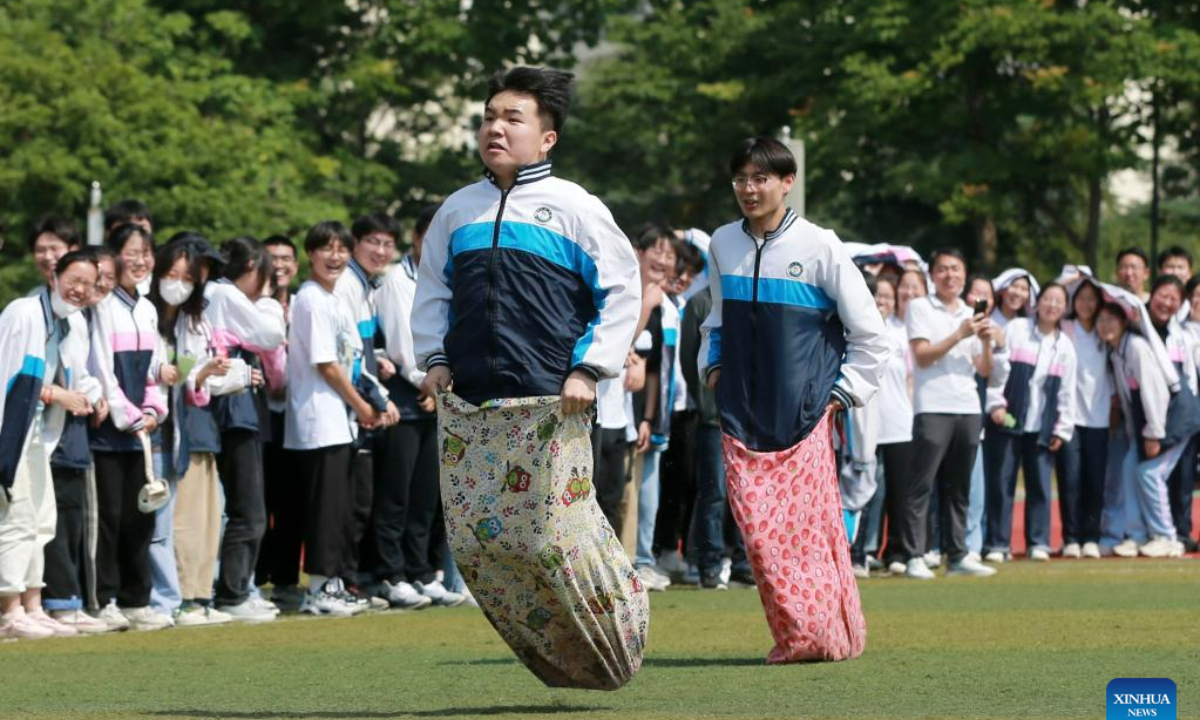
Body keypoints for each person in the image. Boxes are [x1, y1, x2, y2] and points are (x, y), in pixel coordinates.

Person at [412, 66, 646, 690]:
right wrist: (434, 359)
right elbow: (432, 291)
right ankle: (561, 657)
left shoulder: (576, 207)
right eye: (489, 117)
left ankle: (621, 623)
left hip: (551, 399)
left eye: (512, 118)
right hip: (472, 404)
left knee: (549, 540)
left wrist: (588, 369)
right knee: (477, 544)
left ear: (547, 138)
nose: (495, 127)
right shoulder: (457, 209)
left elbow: (622, 291)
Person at [698, 136, 886, 662]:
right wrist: (713, 367)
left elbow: (871, 334)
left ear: (787, 183)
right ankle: (805, 635)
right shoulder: (722, 243)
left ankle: (816, 637)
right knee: (759, 538)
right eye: (741, 179)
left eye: (760, 178)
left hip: (803, 419)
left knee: (805, 535)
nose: (749, 189)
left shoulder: (820, 245)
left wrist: (842, 394)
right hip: (739, 416)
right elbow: (716, 319)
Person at [0, 251, 98, 639]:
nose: (80, 290)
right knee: (17, 517)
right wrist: (59, 394)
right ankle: (9, 609)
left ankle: (32, 603)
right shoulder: (24, 312)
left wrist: (80, 395)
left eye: (89, 284)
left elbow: (73, 375)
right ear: (54, 276)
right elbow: (10, 378)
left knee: (41, 519)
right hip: (13, 431)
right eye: (74, 280)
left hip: (39, 433)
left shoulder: (66, 323)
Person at [286, 221, 380, 617]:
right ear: (310, 254)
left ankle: (335, 583)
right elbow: (325, 364)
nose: (335, 257)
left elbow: (351, 359)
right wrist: (362, 406)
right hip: (318, 420)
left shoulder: (334, 299)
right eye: (326, 248)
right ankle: (319, 588)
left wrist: (370, 402)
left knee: (341, 507)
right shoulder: (310, 299)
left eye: (341, 249)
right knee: (325, 510)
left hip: (340, 420)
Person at [89, 224, 173, 631]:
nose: (141, 261)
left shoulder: (147, 308)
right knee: (109, 517)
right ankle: (104, 599)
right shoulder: (103, 307)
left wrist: (155, 409)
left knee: (141, 516)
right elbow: (102, 370)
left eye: (146, 253)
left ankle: (137, 599)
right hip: (109, 433)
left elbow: (155, 369)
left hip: (141, 433)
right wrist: (129, 416)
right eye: (132, 252)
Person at [372, 205, 454, 610]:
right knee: (396, 494)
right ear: (417, 238)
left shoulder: (446, 277)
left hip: (435, 394)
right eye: (431, 237)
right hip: (407, 397)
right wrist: (431, 383)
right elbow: (403, 344)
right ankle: (392, 573)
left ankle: (421, 571)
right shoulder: (395, 281)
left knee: (425, 494)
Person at [900, 248, 997, 579]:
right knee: (921, 485)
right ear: (932, 275)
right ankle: (915, 555)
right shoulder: (920, 307)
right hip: (933, 406)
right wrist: (960, 334)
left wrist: (985, 341)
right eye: (942, 269)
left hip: (968, 407)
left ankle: (957, 555)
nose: (950, 275)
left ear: (965, 275)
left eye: (956, 269)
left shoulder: (971, 313)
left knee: (959, 487)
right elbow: (923, 356)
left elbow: (984, 369)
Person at [205, 236, 287, 622]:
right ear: (253, 266)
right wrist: (268, 300)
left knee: (238, 507)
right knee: (248, 509)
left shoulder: (215, 294)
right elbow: (270, 335)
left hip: (231, 408)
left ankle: (237, 588)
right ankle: (233, 592)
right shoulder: (225, 294)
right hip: (235, 409)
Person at [982, 283, 1076, 562]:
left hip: (1041, 426)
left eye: (1058, 301)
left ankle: (1038, 542)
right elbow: (998, 369)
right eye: (1047, 299)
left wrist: (1062, 428)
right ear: (1037, 302)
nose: (1052, 305)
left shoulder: (1065, 346)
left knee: (1040, 486)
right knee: (1002, 483)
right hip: (1008, 419)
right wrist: (995, 403)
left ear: (1065, 308)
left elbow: (1067, 392)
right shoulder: (1017, 329)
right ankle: (998, 544)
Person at [1096, 300, 1185, 558]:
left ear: (1124, 322)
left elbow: (1154, 391)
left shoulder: (1136, 347)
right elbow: (1128, 401)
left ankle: (1166, 536)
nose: (1105, 325)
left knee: (1149, 473)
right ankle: (1137, 535)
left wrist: (1154, 433)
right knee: (1128, 468)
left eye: (1111, 319)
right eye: (1101, 320)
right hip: (1147, 427)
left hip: (1174, 420)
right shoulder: (1115, 353)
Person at [256, 234, 304, 609]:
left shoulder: (303, 304)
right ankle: (255, 578)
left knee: (292, 503)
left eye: (286, 258)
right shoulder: (251, 306)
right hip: (260, 417)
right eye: (272, 258)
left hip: (296, 418)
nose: (279, 265)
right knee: (259, 502)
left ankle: (286, 580)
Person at [1056, 276, 1111, 559]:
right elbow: (1044, 303)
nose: (1086, 304)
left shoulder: (1105, 333)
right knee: (1070, 479)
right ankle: (1071, 538)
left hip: (1099, 419)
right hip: (1069, 418)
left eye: (1092, 299)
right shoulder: (1065, 329)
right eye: (1081, 298)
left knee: (1094, 480)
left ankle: (1091, 537)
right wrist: (1069, 279)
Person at [1144, 275, 1198, 551]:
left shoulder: (1180, 337)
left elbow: (1188, 378)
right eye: (1163, 296)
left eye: (1173, 298)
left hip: (1184, 417)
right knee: (1159, 475)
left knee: (1168, 476)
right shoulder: (1145, 332)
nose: (1167, 302)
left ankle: (1173, 535)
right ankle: (1171, 533)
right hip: (1162, 417)